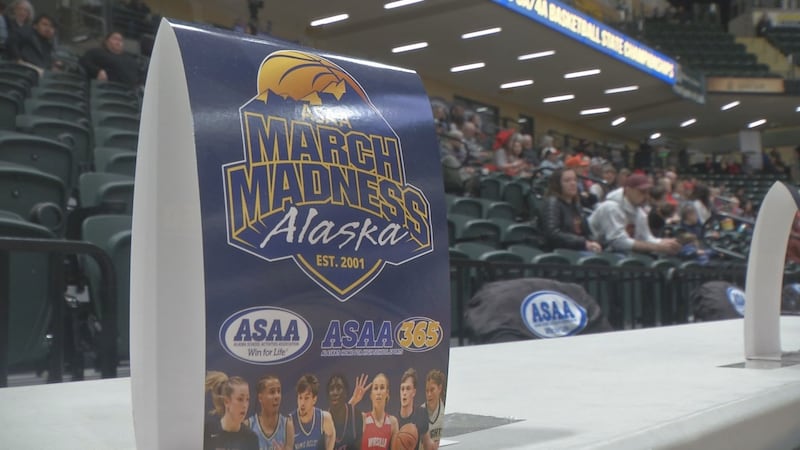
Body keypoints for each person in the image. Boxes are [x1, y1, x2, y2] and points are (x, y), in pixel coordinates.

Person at [587, 174, 681, 255]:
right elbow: (617, 242)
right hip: (593, 250)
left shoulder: (639, 212)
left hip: (614, 255)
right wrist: (657, 247)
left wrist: (665, 243)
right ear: (628, 190)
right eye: (642, 192)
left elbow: (646, 238)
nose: (646, 196)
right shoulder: (611, 207)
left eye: (647, 192)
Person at [541, 168, 602, 253]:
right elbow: (553, 233)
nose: (573, 183)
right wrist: (583, 243)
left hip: (580, 249)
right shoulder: (552, 203)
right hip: (561, 252)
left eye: (575, 180)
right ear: (557, 184)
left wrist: (594, 242)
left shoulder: (576, 204)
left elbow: (587, 232)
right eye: (567, 181)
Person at [204, 371, 259, 450]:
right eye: (240, 399)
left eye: (247, 399)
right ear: (226, 401)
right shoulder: (208, 431)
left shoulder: (251, 438)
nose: (245, 405)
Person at [247, 375, 294, 450]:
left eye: (279, 391)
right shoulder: (248, 426)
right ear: (260, 398)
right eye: (272, 392)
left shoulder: (287, 425)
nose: (277, 396)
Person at [291, 374, 335, 450]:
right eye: (300, 397)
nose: (302, 403)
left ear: (314, 399)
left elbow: (331, 434)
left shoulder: (324, 418)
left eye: (306, 398)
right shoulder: (289, 423)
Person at [397, 368, 433, 450]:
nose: (404, 393)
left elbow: (427, 444)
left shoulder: (421, 414)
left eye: (408, 388)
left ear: (414, 392)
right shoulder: (394, 420)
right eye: (402, 389)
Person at [327, 374, 364, 450]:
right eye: (331, 389)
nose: (335, 392)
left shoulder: (356, 416)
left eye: (339, 388)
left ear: (346, 393)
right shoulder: (324, 421)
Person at [361, 373, 398, 450]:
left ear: (387, 393)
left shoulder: (393, 422)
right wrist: (354, 400)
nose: (378, 392)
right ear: (371, 395)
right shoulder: (363, 418)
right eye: (375, 388)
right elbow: (343, 420)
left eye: (382, 388)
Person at [423, 370, 445, 450]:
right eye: (427, 391)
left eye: (432, 390)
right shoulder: (420, 412)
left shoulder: (445, 412)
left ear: (439, 388)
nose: (429, 394)